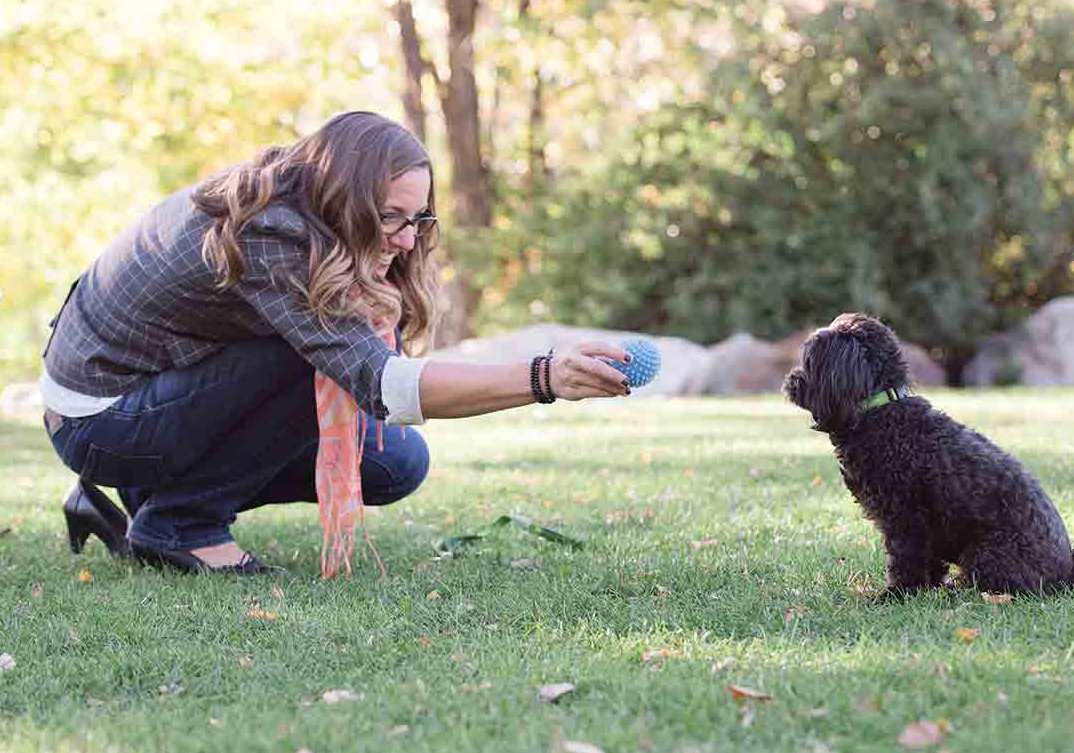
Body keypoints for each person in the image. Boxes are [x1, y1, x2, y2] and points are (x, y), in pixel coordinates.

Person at [42, 110, 632, 575]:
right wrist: (545, 378)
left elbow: (384, 371)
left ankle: (147, 497)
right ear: (342, 199)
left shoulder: (317, 208)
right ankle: (179, 525)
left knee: (394, 464)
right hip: (101, 419)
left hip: (158, 400)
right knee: (307, 363)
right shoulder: (275, 235)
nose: (407, 239)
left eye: (419, 218)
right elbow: (384, 385)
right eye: (390, 217)